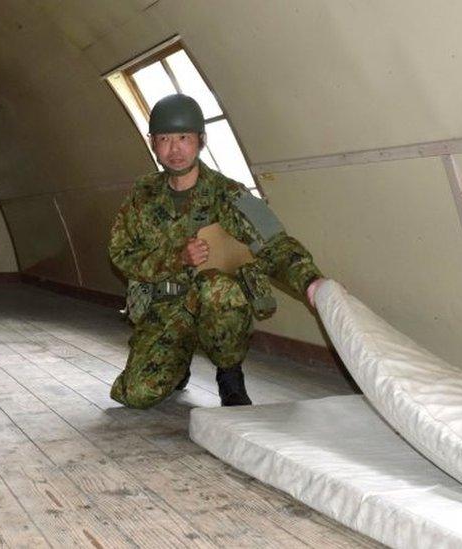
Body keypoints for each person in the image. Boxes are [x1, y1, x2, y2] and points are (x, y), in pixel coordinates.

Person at [108, 94, 326, 409]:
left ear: (201, 140)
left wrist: (310, 281)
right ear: (153, 144)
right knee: (136, 395)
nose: (175, 149)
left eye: (183, 137)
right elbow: (120, 253)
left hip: (212, 301)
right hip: (165, 307)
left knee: (219, 290)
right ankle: (177, 365)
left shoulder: (228, 193)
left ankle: (229, 374)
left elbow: (273, 242)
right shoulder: (142, 194)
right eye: (164, 139)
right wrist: (176, 258)